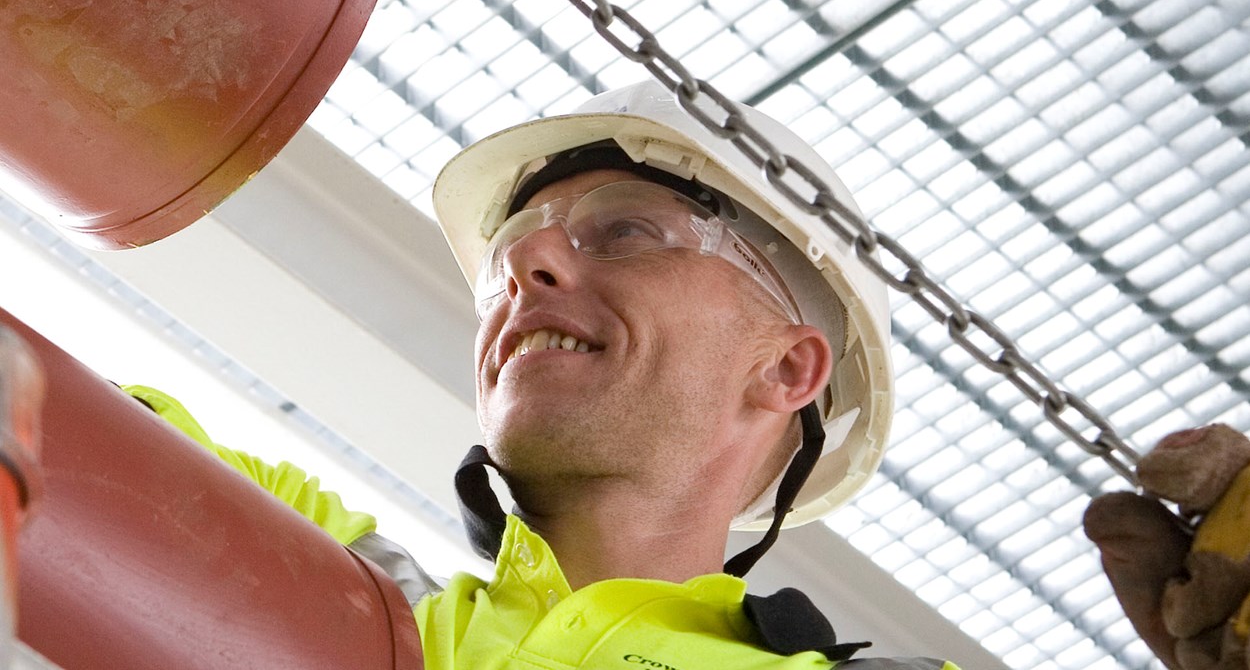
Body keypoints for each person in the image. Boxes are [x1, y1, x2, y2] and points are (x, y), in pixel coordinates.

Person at [134, 81, 1245, 669]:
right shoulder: (323, 578)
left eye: (625, 232)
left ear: (785, 368)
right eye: (519, 246)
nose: (526, 263)